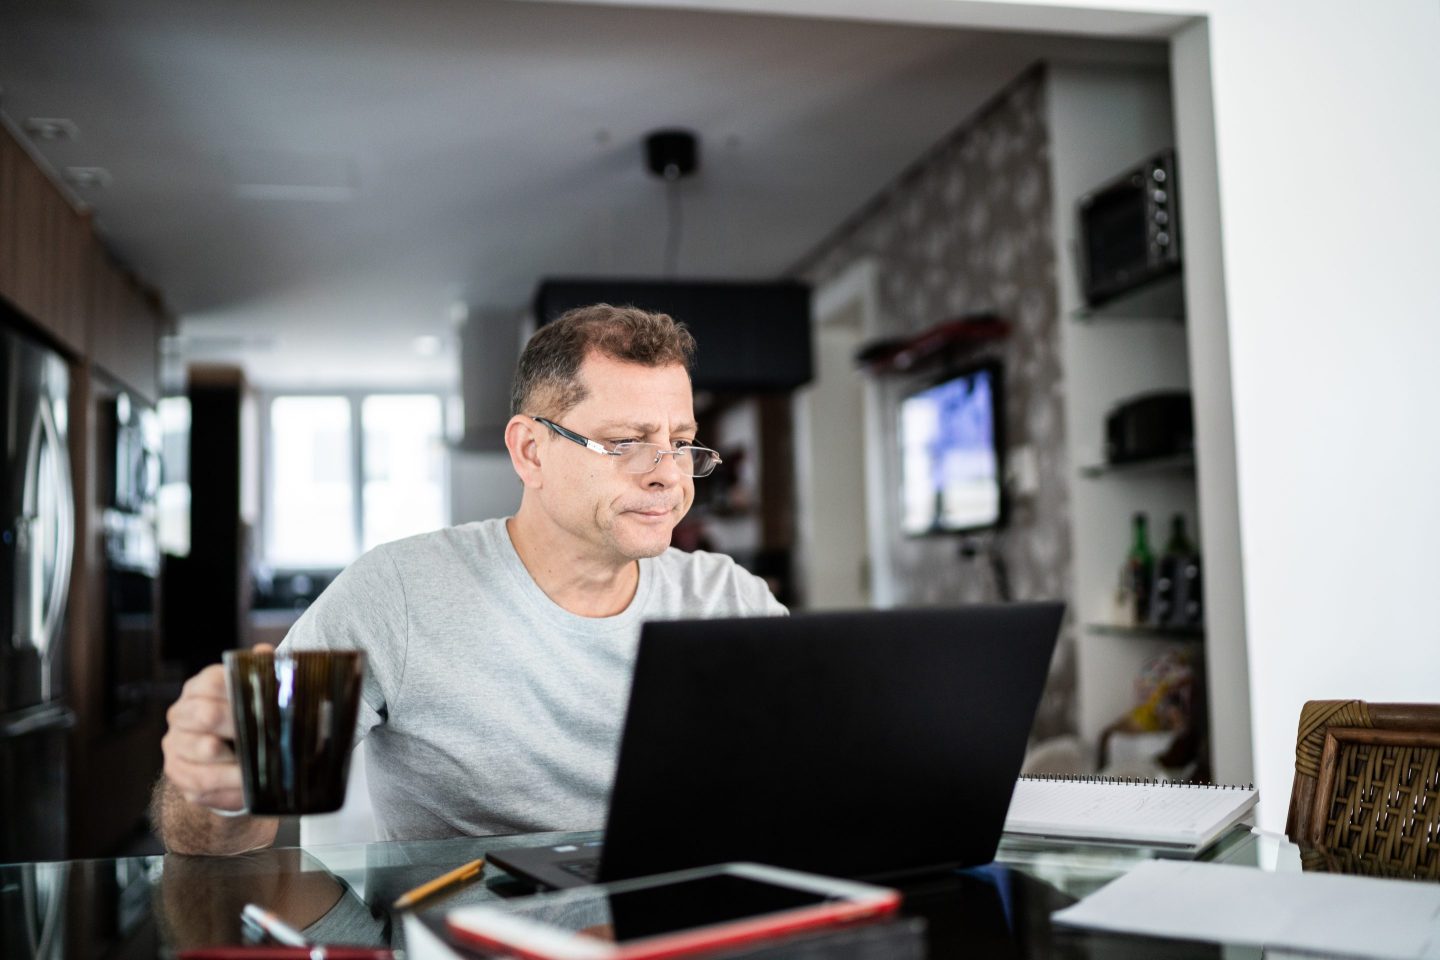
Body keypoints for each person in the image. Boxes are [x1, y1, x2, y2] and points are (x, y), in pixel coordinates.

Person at [154, 305, 786, 855]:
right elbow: (223, 831)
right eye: (626, 442)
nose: (668, 476)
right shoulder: (395, 594)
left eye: (682, 443)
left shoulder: (728, 598)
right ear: (531, 452)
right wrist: (217, 789)